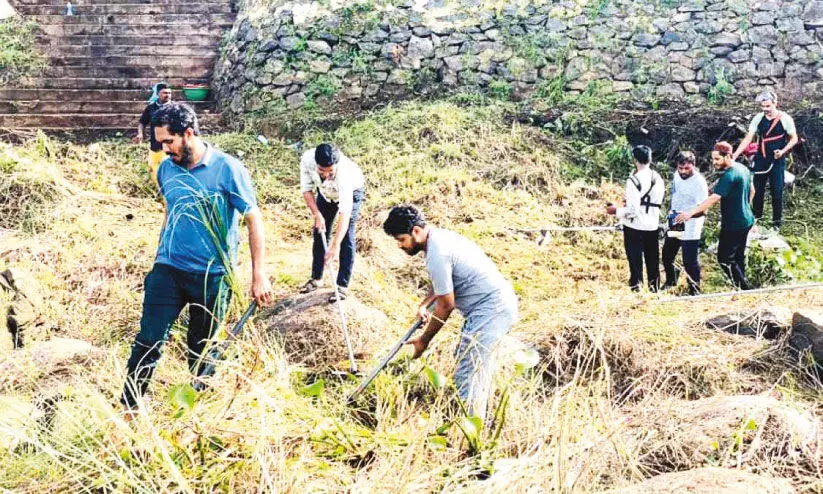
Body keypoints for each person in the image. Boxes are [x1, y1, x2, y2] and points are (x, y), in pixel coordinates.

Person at [121, 103, 273, 411]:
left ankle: (198, 411)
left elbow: (253, 218)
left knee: (201, 349)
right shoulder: (166, 169)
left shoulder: (227, 169)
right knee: (148, 340)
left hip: (212, 276)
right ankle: (129, 408)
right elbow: (170, 210)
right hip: (169, 269)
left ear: (188, 133)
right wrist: (159, 253)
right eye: (160, 143)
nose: (164, 150)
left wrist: (259, 274)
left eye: (169, 141)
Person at [383, 205, 518, 420]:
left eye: (401, 239)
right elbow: (443, 284)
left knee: (469, 373)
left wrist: (424, 340)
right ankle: (480, 420)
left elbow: (446, 305)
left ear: (416, 231)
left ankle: (471, 431)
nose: (400, 245)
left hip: (491, 309)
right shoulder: (439, 238)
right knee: (470, 365)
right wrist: (424, 304)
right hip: (494, 306)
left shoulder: (438, 252)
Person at [677, 142, 755, 290]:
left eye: (717, 159)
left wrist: (691, 213)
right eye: (713, 158)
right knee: (738, 257)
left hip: (733, 224)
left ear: (728, 156)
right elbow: (752, 190)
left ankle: (744, 289)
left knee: (725, 259)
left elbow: (713, 198)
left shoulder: (729, 176)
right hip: (747, 220)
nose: (714, 162)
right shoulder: (743, 168)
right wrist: (745, 206)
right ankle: (741, 286)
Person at [299, 143, 366, 302]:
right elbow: (306, 190)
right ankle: (316, 279)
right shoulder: (307, 159)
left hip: (352, 192)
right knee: (319, 231)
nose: (326, 174)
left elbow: (345, 212)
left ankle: (342, 286)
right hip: (325, 193)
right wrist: (317, 214)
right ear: (316, 164)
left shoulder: (345, 173)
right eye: (321, 171)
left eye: (330, 171)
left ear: (336, 165)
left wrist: (334, 246)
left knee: (346, 237)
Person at [732, 91, 798, 230]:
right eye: (763, 106)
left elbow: (794, 138)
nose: (765, 109)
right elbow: (748, 138)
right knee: (757, 190)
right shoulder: (758, 118)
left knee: (777, 191)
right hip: (761, 158)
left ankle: (776, 223)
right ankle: (757, 218)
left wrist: (783, 151)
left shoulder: (785, 119)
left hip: (777, 160)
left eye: (768, 106)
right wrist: (735, 154)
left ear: (775, 103)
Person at [606, 145, 665, 292]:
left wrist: (616, 211)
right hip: (652, 224)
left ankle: (636, 289)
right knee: (652, 260)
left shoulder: (634, 180)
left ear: (635, 160)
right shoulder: (658, 178)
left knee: (635, 260)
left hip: (635, 226)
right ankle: (654, 290)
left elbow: (633, 211)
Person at [662, 151, 708, 295]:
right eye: (680, 168)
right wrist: (672, 210)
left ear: (693, 165)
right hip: (676, 219)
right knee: (667, 254)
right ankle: (671, 281)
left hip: (692, 223)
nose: (683, 171)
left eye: (687, 168)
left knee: (689, 260)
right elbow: (676, 194)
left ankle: (694, 289)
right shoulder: (677, 175)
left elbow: (704, 209)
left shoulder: (699, 183)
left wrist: (689, 215)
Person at [133, 82, 173, 185]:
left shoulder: (174, 108)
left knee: (167, 174)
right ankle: (157, 192)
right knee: (153, 171)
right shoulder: (151, 108)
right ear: (158, 93)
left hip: (170, 148)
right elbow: (142, 122)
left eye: (169, 93)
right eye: (165, 93)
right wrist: (140, 134)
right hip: (154, 146)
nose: (168, 95)